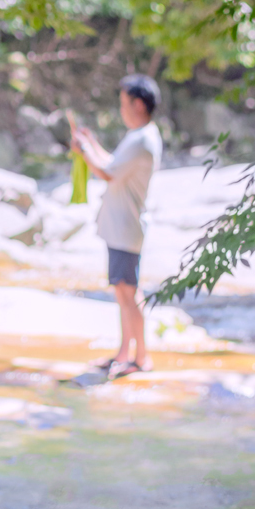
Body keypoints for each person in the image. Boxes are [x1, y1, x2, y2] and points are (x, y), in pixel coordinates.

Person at [71, 73, 162, 378]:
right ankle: (125, 353)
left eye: (123, 103)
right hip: (121, 227)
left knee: (128, 293)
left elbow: (108, 172)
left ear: (137, 104)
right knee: (123, 292)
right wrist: (92, 143)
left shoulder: (142, 139)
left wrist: (83, 151)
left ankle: (141, 357)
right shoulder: (140, 135)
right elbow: (113, 162)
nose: (121, 109)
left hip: (126, 228)